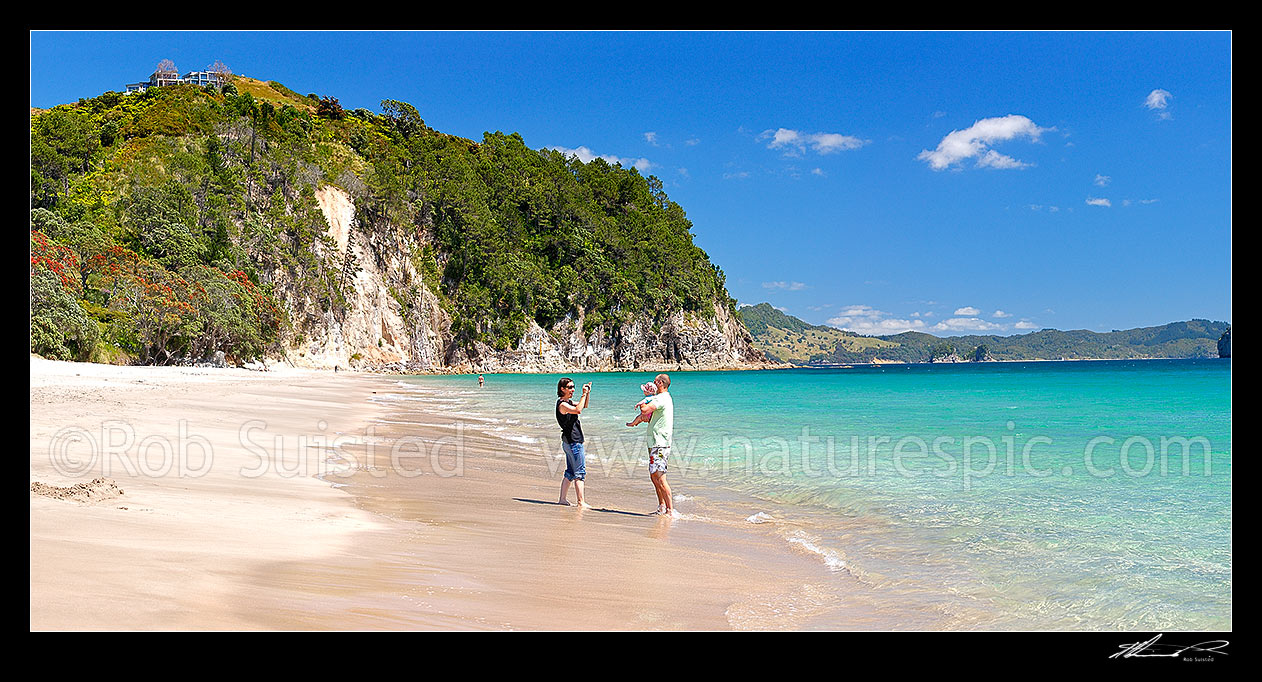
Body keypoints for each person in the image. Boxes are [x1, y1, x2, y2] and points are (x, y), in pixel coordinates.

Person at [627, 373, 675, 516]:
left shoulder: (661, 398)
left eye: (655, 382)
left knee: (659, 476)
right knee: (654, 476)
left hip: (660, 443)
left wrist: (644, 400)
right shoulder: (660, 398)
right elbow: (647, 418)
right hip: (655, 442)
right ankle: (661, 506)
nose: (653, 384)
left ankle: (670, 510)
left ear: (660, 383)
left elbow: (645, 410)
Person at [556, 377, 592, 508]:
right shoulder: (563, 405)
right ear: (562, 389)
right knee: (579, 473)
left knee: (570, 472)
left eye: (573, 387)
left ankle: (562, 499)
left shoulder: (568, 402)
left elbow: (584, 405)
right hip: (573, 442)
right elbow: (578, 410)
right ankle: (581, 502)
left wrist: (587, 394)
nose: (572, 390)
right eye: (570, 387)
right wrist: (583, 394)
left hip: (569, 442)